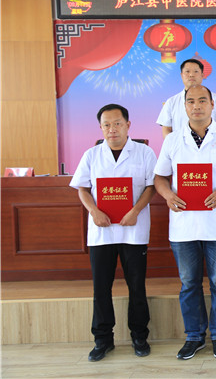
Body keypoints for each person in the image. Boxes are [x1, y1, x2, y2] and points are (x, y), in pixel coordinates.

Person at [154, 85, 216, 360]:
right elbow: (160, 178)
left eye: (202, 101)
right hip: (183, 225)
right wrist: (168, 195)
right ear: (184, 106)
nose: (196, 106)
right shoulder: (173, 139)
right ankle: (194, 336)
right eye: (191, 101)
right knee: (189, 284)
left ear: (212, 105)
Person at [70, 104, 156, 361]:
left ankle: (139, 336)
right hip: (102, 232)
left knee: (136, 286)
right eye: (106, 125)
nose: (112, 129)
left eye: (117, 123)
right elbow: (82, 188)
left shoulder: (144, 152)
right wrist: (93, 211)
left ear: (128, 125)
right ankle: (102, 339)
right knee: (101, 288)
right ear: (100, 128)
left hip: (133, 229)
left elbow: (152, 186)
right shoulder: (91, 155)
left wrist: (136, 211)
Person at [157, 58, 216, 138]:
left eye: (196, 71)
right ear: (181, 75)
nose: (191, 75)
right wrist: (175, 144)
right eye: (187, 71)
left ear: (202, 75)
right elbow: (166, 129)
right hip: (179, 145)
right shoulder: (171, 102)